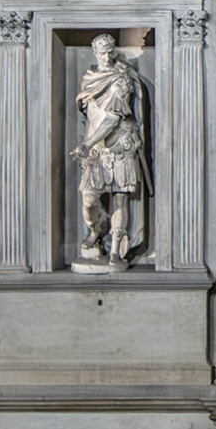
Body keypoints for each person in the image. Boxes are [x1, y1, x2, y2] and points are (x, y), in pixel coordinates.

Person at [74, 32, 151, 271]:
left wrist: (87, 144)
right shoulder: (89, 76)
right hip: (96, 147)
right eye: (102, 52)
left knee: (120, 197)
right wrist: (89, 142)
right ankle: (96, 229)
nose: (107, 57)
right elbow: (89, 112)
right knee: (89, 199)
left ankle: (116, 251)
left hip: (120, 144)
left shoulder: (122, 77)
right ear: (94, 52)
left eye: (110, 52)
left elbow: (113, 118)